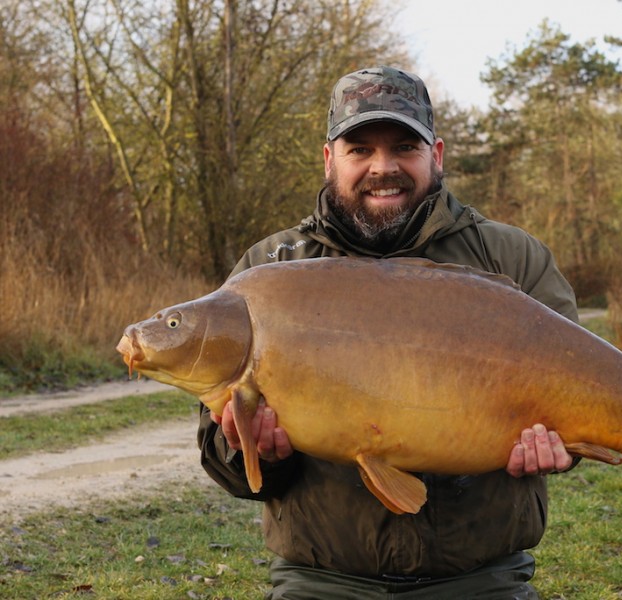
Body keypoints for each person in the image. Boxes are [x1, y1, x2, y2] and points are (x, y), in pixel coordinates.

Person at [198, 66, 580, 599]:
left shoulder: (511, 258)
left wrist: (565, 446)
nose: (384, 167)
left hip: (480, 580)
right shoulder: (268, 272)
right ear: (329, 159)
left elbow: (581, 395)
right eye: (360, 149)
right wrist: (255, 451)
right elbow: (226, 464)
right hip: (320, 581)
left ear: (436, 155)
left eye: (404, 146)